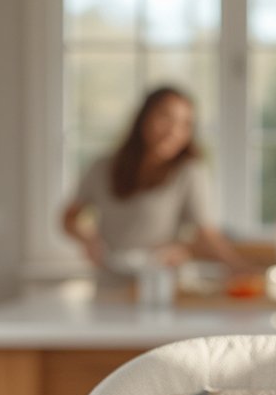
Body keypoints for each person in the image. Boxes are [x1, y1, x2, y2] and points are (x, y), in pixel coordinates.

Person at [60, 85, 247, 272]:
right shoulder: (102, 167)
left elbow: (206, 234)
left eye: (185, 124)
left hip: (160, 282)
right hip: (108, 283)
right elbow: (69, 218)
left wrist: (241, 269)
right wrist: (89, 240)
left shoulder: (189, 172)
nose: (174, 131)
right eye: (166, 118)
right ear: (144, 118)